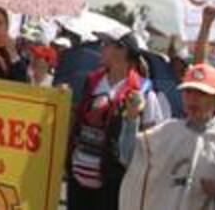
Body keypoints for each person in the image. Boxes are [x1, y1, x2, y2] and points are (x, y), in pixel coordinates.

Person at [117, 63, 215, 209]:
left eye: (201, 93)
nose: (193, 99)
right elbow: (127, 157)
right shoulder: (166, 132)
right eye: (188, 92)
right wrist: (132, 119)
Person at [67, 30, 163, 209]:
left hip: (113, 183)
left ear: (122, 50)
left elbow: (153, 141)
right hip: (77, 178)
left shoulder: (143, 92)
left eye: (106, 44)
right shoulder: (92, 82)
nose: (101, 48)